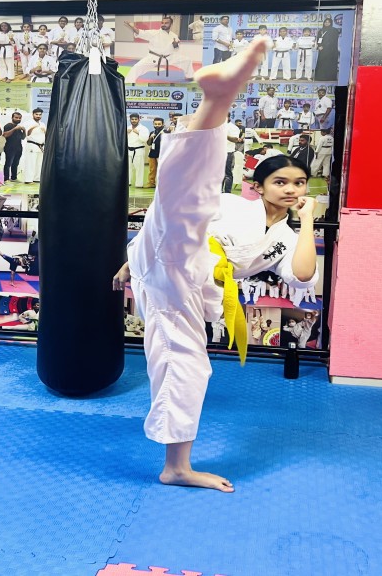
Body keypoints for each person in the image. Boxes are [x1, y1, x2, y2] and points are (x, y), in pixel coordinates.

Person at [112, 38, 318, 492]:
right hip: (168, 254)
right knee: (191, 203)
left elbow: (303, 274)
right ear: (259, 186)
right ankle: (218, 99)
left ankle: (176, 467)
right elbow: (172, 209)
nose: (290, 189)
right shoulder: (232, 205)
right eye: (280, 181)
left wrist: (307, 222)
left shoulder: (286, 238)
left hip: (185, 286)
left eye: (299, 183)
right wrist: (131, 261)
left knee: (190, 364)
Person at [124, 17, 194, 83]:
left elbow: (176, 48)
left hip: (169, 57)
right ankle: (128, 82)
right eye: (162, 23)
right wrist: (132, 27)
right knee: (136, 68)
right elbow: (140, 32)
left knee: (187, 60)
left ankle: (189, 76)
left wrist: (175, 45)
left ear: (171, 24)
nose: (163, 24)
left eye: (166, 23)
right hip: (154, 57)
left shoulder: (174, 35)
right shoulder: (154, 33)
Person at [21, 109, 46, 184]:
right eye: (36, 114)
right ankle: (28, 179)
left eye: (40, 114)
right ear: (33, 114)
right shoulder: (28, 123)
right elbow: (26, 134)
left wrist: (44, 131)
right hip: (32, 144)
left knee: (39, 163)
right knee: (30, 162)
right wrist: (32, 128)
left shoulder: (42, 124)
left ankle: (37, 178)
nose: (38, 116)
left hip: (41, 145)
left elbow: (46, 135)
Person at [314, 16, 340, 81]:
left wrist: (324, 46)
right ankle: (320, 77)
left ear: (331, 23)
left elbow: (333, 40)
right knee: (322, 63)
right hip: (322, 50)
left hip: (331, 50)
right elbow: (318, 39)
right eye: (325, 22)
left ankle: (329, 78)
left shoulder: (334, 30)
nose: (327, 23)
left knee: (329, 64)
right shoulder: (321, 30)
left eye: (328, 22)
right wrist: (319, 46)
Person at [127, 113, 149, 189]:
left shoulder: (143, 128)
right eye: (132, 119)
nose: (134, 121)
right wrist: (126, 133)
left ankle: (139, 184)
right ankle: (128, 182)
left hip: (138, 149)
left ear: (139, 119)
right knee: (128, 167)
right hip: (129, 149)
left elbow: (145, 139)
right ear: (130, 120)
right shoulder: (128, 128)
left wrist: (138, 133)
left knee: (139, 168)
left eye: (135, 119)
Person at [2, 111, 26, 182]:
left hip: (18, 147)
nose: (18, 119)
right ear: (12, 118)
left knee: (16, 163)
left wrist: (24, 131)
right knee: (8, 163)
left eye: (19, 118)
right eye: (16, 117)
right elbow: (5, 135)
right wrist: (14, 129)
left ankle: (14, 177)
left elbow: (23, 137)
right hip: (9, 147)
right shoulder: (8, 126)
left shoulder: (19, 127)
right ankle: (6, 178)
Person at [222, 112, 243, 193]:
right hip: (216, 152)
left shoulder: (233, 128)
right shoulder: (218, 125)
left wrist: (224, 134)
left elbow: (235, 139)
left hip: (227, 152)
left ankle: (227, 193)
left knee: (227, 174)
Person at [146, 117, 166, 188]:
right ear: (153, 124)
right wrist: (150, 137)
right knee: (152, 169)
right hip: (152, 153)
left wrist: (164, 136)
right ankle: (151, 183)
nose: (157, 125)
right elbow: (148, 143)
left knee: (162, 169)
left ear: (163, 124)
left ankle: (162, 184)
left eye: (159, 124)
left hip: (162, 153)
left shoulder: (166, 132)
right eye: (155, 124)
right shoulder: (152, 132)